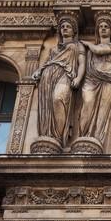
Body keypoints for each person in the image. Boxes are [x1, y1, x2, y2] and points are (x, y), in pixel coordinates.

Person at [33, 15, 86, 148]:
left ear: (74, 30)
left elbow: (82, 64)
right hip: (48, 75)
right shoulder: (54, 49)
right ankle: (48, 135)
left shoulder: (78, 46)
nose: (65, 29)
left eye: (68, 27)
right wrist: (38, 71)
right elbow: (46, 62)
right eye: (62, 27)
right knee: (48, 106)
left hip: (66, 75)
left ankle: (57, 136)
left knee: (59, 99)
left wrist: (79, 78)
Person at [78, 13, 111, 145]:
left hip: (109, 80)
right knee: (87, 106)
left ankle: (97, 140)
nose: (103, 28)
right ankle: (83, 136)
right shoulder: (90, 48)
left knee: (103, 112)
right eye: (100, 27)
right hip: (91, 78)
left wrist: (86, 43)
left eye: (106, 27)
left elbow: (99, 50)